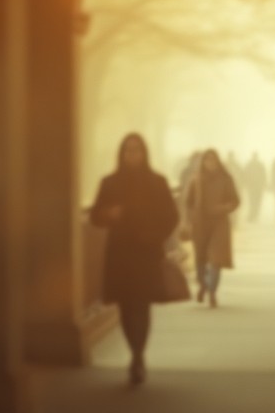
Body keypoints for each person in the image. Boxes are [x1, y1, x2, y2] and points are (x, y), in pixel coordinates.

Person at [88, 133, 179, 386]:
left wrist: (156, 235)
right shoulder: (109, 183)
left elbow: (172, 215)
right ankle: (136, 353)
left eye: (137, 150)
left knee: (141, 304)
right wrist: (108, 213)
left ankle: (137, 356)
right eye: (128, 150)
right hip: (119, 253)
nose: (132, 155)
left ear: (144, 153)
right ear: (121, 153)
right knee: (125, 306)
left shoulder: (157, 182)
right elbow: (95, 216)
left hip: (147, 253)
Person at [185, 149, 240, 308]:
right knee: (200, 259)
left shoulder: (226, 179)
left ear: (218, 162)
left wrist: (222, 208)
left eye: (213, 160)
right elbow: (188, 203)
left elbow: (235, 201)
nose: (210, 163)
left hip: (219, 224)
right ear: (203, 162)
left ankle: (212, 291)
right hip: (200, 224)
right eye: (207, 160)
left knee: (216, 259)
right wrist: (188, 220)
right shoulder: (196, 180)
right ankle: (203, 284)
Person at [243, 152, 267, 223]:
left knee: (254, 201)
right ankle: (253, 215)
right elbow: (245, 175)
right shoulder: (256, 165)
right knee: (255, 201)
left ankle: (253, 215)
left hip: (255, 186)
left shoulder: (250, 164)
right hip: (254, 186)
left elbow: (263, 175)